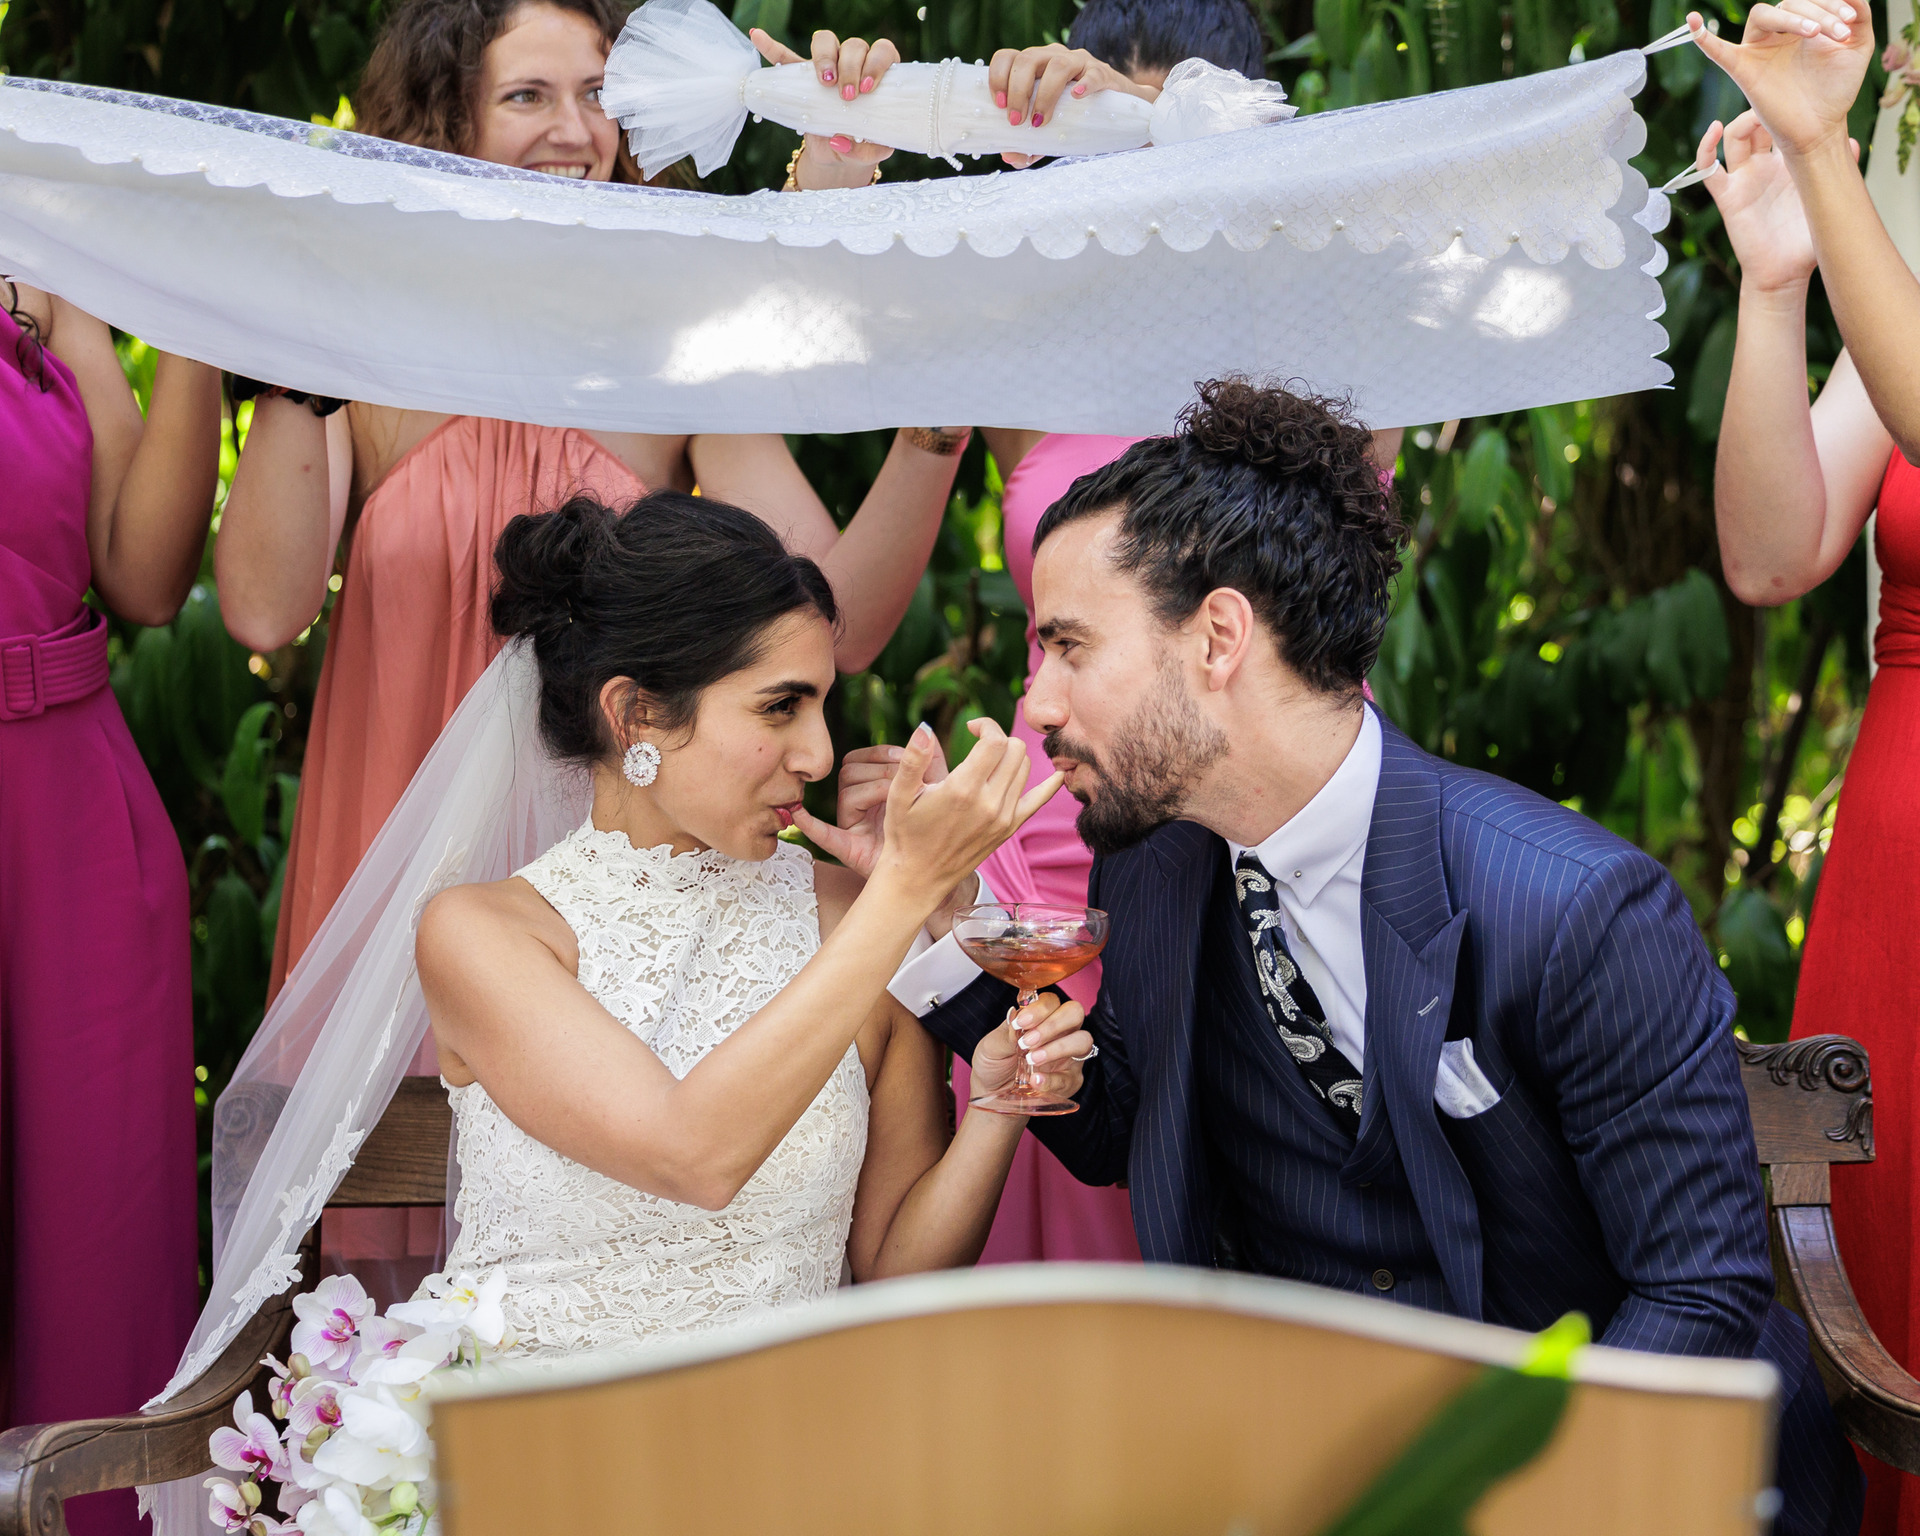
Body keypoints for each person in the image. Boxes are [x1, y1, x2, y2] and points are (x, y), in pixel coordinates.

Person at [876, 377, 1862, 1536]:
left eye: (1069, 648)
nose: (1036, 704)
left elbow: (1697, 1292)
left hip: (1620, 1484)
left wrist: (1498, 1506)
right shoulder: (1150, 868)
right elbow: (1116, 1129)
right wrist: (945, 922)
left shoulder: (1575, 907)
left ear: (1220, 637)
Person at [216, 0, 966, 1296]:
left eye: (600, 95)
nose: (576, 130)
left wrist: (933, 434)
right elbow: (260, 610)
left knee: (630, 1210)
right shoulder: (358, 343)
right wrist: (302, 342)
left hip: (629, 870)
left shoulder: (669, 345)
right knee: (393, 1264)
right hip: (391, 860)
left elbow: (837, 615)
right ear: (439, 125)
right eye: (528, 96)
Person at [414, 490, 1090, 1349]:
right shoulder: (482, 934)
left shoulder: (857, 915)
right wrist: (905, 889)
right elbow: (691, 1157)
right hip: (551, 1422)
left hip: (789, 1417)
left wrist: (1000, 1104)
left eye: (820, 707)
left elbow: (898, 1277)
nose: (819, 754)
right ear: (636, 714)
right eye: (780, 707)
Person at [1690, 1, 1919, 1526]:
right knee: (1886, 1306)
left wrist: (1828, 154)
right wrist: (1778, 286)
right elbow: (1772, 553)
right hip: (1897, 883)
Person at [1, 280, 221, 1535]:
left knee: (94, 1250)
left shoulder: (36, 247)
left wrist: (190, 294)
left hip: (67, 820)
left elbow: (142, 574)